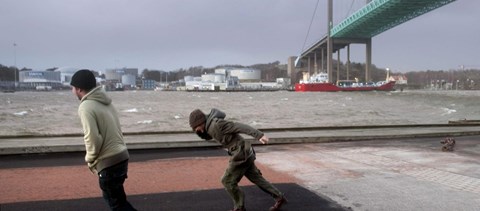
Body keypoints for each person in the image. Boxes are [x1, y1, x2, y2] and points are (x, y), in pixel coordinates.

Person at [189, 108, 287, 211]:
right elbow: (208, 136)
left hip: (241, 153)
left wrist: (259, 135)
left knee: (227, 181)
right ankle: (279, 197)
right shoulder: (210, 127)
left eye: (196, 127)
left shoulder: (217, 124)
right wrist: (201, 132)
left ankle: (239, 207)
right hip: (244, 150)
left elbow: (239, 126)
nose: (196, 130)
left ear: (201, 122)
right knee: (256, 177)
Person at [70, 69, 136, 211]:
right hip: (122, 156)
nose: (72, 91)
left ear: (79, 88)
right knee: (120, 202)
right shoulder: (106, 101)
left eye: (73, 88)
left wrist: (90, 159)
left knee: (117, 205)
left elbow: (92, 138)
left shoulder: (85, 106)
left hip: (109, 163)